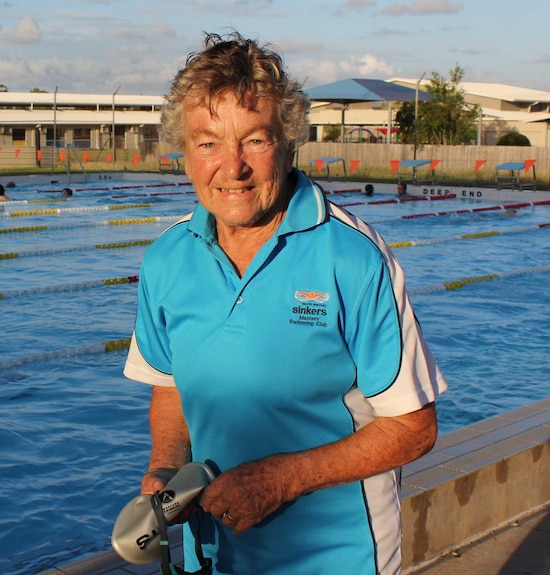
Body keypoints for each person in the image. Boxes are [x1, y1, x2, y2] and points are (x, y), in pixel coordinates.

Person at [123, 31, 447, 575]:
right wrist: (166, 467)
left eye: (254, 140)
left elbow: (414, 427)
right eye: (208, 143)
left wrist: (280, 479)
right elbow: (170, 383)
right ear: (184, 152)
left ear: (289, 143)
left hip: (338, 557)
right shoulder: (166, 259)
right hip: (216, 554)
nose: (232, 167)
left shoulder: (353, 257)